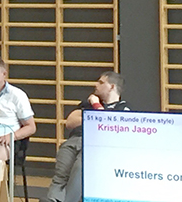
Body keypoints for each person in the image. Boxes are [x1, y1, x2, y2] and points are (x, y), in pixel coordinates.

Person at [41, 71, 129, 202]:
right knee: (61, 172)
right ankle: (52, 199)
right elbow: (70, 122)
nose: (96, 85)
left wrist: (95, 108)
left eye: (101, 82)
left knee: (79, 170)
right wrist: (97, 116)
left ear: (111, 87)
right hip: (75, 140)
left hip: (95, 145)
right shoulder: (87, 104)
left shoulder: (123, 109)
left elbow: (107, 125)